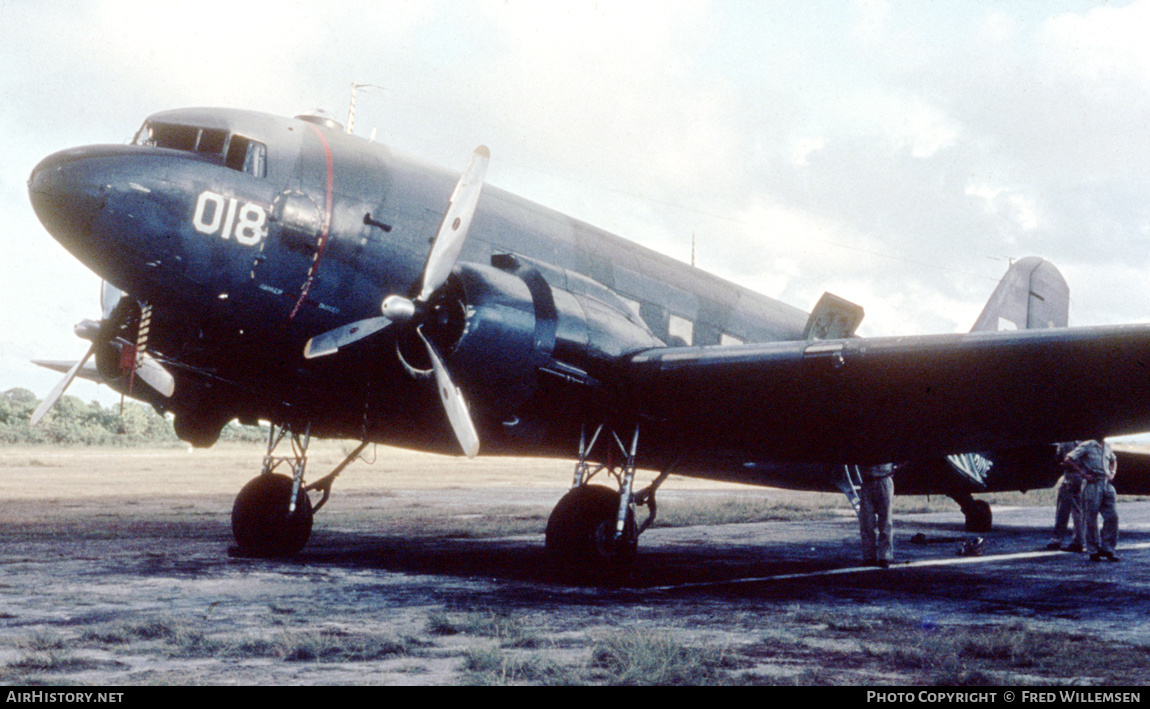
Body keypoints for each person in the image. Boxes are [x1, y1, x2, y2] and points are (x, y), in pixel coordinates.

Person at [1064, 439, 1120, 562]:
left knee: (1112, 517)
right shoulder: (1087, 445)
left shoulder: (1107, 446)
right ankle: (1093, 550)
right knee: (1091, 518)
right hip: (1092, 484)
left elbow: (1113, 460)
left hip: (1106, 483)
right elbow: (1068, 459)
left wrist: (1112, 472)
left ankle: (1108, 549)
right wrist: (1082, 473)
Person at [1046, 441, 1084, 552]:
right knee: (1075, 508)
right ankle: (1077, 540)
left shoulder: (1066, 442)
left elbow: (1061, 458)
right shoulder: (1085, 441)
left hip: (1071, 476)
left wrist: (1063, 463)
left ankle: (1069, 541)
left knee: (1067, 509)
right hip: (1079, 477)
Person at [857, 463, 895, 567]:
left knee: (886, 521)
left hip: (884, 478)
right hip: (867, 480)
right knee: (866, 521)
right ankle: (869, 557)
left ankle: (885, 557)